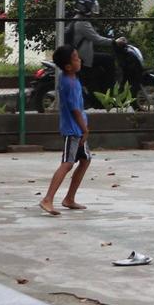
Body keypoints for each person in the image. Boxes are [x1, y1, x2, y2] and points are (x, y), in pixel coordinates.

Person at [39, 45, 92, 216]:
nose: (80, 60)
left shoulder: (68, 77)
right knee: (68, 163)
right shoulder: (70, 84)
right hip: (74, 130)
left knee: (85, 160)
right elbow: (75, 110)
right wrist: (85, 129)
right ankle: (48, 199)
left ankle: (69, 198)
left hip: (77, 129)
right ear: (68, 66)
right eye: (76, 58)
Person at [66, 0, 125, 84]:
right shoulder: (82, 23)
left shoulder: (79, 19)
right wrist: (114, 42)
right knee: (108, 59)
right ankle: (110, 88)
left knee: (104, 58)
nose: (93, 9)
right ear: (84, 7)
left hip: (80, 54)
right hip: (82, 58)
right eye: (91, 6)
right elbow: (97, 39)